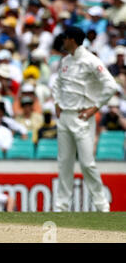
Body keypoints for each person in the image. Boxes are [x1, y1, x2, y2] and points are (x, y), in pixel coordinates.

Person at [52, 26, 117, 212]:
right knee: (64, 163)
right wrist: (57, 102)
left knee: (87, 164)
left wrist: (94, 109)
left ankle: (102, 205)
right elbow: (58, 83)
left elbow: (111, 86)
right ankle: (61, 207)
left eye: (65, 38)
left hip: (82, 117)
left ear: (72, 40)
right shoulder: (65, 60)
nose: (63, 41)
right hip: (65, 116)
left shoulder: (90, 60)